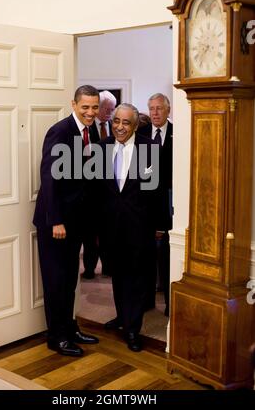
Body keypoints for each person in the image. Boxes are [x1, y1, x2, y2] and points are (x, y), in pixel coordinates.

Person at [33, 85, 100, 357]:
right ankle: (56, 337)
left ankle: (70, 328)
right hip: (55, 223)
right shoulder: (60, 131)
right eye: (85, 107)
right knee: (56, 281)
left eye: (94, 107)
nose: (90, 112)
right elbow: (49, 179)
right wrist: (56, 220)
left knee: (70, 279)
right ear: (73, 104)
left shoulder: (92, 130)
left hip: (76, 222)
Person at [98, 103, 168, 352]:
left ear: (136, 125)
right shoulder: (102, 147)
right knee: (117, 274)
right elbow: (98, 191)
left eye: (126, 122)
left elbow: (158, 191)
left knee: (137, 278)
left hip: (140, 226)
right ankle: (122, 316)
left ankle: (132, 328)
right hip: (110, 226)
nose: (119, 126)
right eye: (116, 121)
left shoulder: (151, 148)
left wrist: (161, 224)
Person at [138, 93, 173, 316]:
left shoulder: (178, 134)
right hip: (145, 204)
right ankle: (146, 300)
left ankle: (170, 303)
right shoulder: (140, 134)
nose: (155, 113)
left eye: (159, 108)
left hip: (169, 203)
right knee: (145, 255)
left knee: (167, 255)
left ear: (168, 110)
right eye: (151, 108)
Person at [81, 90, 117, 279]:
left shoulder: (112, 126)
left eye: (112, 109)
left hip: (108, 190)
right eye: (107, 109)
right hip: (89, 190)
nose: (110, 113)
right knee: (89, 234)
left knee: (107, 233)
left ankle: (108, 267)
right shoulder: (87, 129)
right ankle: (88, 268)